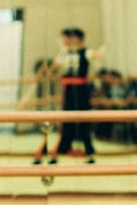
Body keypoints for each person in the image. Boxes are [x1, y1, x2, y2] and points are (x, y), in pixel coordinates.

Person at [34, 28, 97, 164]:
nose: (64, 41)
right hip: (68, 90)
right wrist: (46, 71)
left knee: (83, 120)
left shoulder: (84, 52)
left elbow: (94, 55)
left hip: (81, 90)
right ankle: (62, 148)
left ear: (76, 39)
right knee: (67, 120)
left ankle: (89, 152)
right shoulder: (64, 54)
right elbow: (53, 67)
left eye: (67, 38)